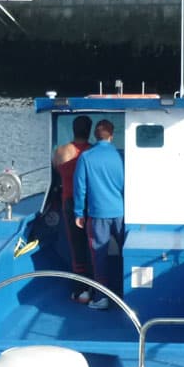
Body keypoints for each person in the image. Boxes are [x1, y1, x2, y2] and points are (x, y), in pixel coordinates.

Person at [73, 119, 125, 310]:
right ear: (111, 136)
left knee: (99, 256)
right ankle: (125, 290)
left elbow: (80, 188)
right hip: (121, 212)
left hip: (97, 214)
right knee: (124, 251)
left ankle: (102, 297)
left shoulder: (86, 157)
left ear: (95, 136)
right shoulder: (120, 157)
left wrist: (78, 212)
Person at [52, 115, 94, 302]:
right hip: (92, 203)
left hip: (69, 201)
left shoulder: (61, 152)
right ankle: (96, 286)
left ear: (73, 129)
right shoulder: (93, 152)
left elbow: (55, 171)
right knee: (94, 246)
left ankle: (80, 289)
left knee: (76, 247)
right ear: (90, 130)